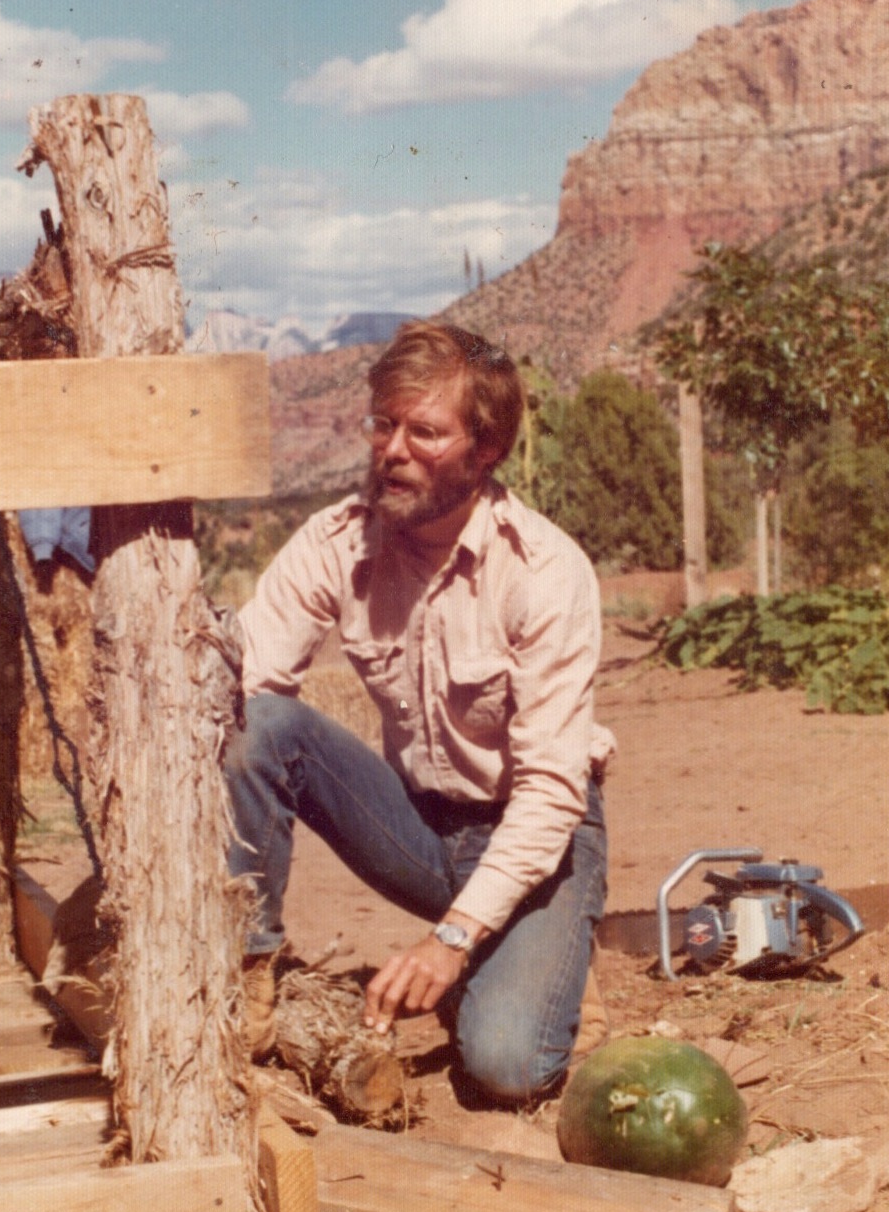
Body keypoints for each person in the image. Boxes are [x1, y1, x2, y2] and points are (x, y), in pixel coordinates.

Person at [225, 320, 614, 1103]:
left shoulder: (544, 572)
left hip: (534, 835)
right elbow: (243, 683)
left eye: (425, 432)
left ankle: (540, 947)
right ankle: (243, 976)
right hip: (416, 826)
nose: (392, 450)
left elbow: (550, 795)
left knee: (506, 1066)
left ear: (485, 450)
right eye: (384, 424)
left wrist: (451, 941)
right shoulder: (337, 542)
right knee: (258, 722)